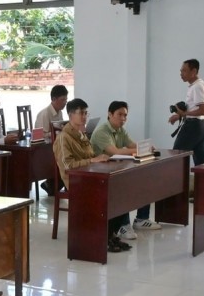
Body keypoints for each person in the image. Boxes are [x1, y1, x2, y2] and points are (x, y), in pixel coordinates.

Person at [53, 98, 128, 253]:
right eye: (81, 113)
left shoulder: (81, 134)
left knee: (121, 193)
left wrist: (100, 159)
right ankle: (102, 236)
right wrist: (92, 160)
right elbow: (67, 165)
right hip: (76, 181)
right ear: (70, 114)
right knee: (109, 196)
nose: (84, 116)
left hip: (91, 177)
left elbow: (92, 155)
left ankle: (109, 234)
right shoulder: (64, 137)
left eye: (86, 113)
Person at [91, 100, 160, 234]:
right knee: (125, 186)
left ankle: (141, 219)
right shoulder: (102, 131)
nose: (123, 119)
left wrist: (146, 148)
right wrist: (140, 151)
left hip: (114, 169)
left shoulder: (120, 129)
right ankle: (123, 225)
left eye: (125, 115)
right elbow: (115, 151)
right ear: (110, 114)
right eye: (119, 115)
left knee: (145, 179)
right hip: (100, 173)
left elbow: (131, 145)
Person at [168, 58, 204, 165]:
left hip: (193, 127)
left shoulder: (197, 87)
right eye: (181, 71)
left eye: (184, 71)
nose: (181, 74)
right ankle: (203, 181)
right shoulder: (201, 84)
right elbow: (194, 108)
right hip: (202, 127)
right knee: (201, 162)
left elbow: (203, 110)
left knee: (176, 156)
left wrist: (184, 114)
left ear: (194, 71)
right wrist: (178, 116)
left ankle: (176, 181)